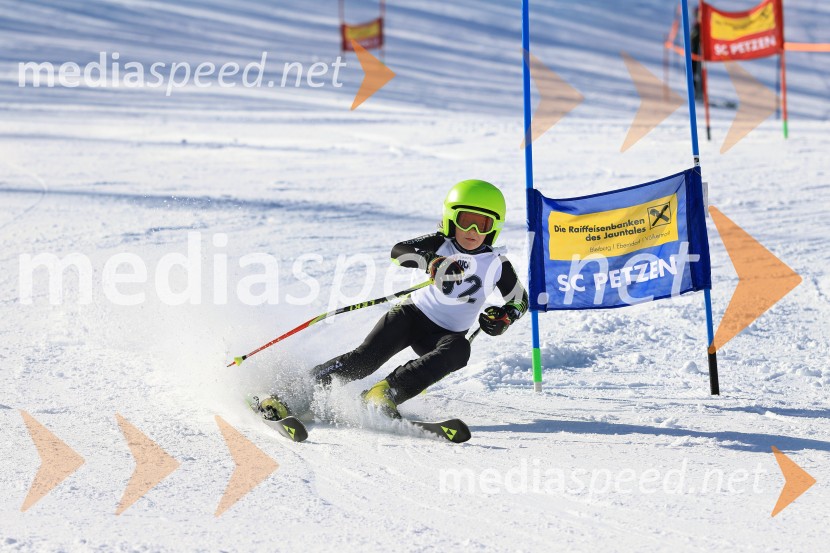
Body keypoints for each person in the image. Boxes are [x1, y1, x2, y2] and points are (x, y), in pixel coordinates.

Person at [259, 179, 528, 421]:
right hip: (410, 317)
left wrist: (504, 317)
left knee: (460, 351)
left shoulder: (496, 263)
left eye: (482, 224)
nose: (471, 230)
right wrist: (431, 261)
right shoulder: (441, 243)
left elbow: (520, 301)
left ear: (494, 227)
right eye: (465, 220)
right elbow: (399, 252)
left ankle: (382, 394)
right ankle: (288, 395)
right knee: (363, 361)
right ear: (450, 219)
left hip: (445, 336)